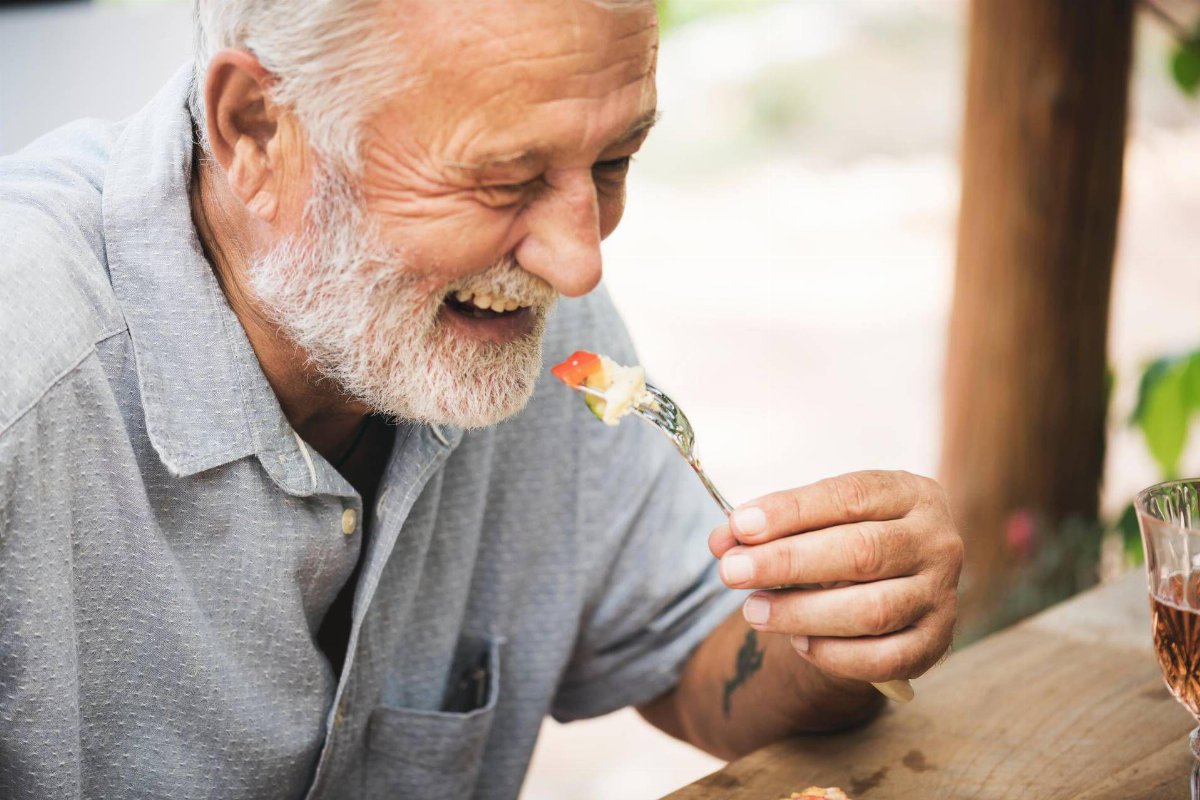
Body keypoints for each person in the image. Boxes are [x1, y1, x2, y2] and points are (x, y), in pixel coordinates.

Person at [0, 0, 963, 797]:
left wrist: (833, 630)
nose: (578, 265)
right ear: (257, 128)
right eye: (504, 179)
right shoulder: (24, 380)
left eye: (614, 163)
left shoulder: (512, 304)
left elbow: (691, 662)